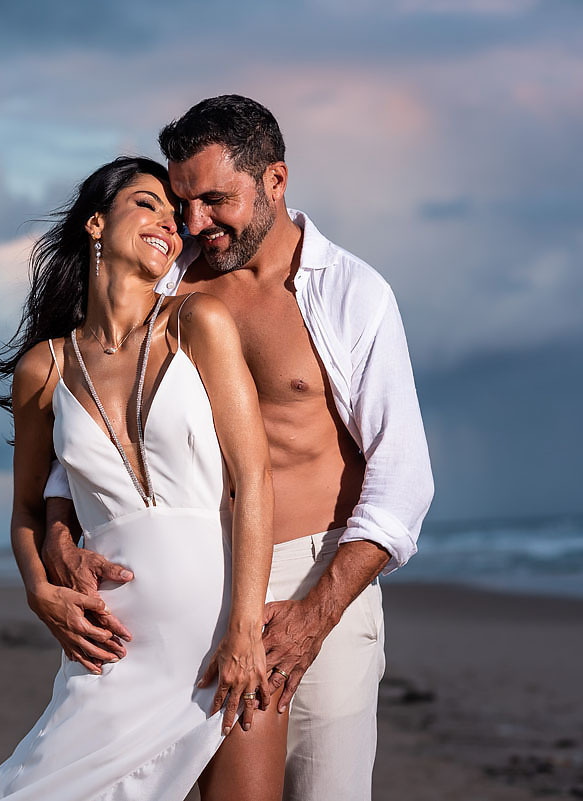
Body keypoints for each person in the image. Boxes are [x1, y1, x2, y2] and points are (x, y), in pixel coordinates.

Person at [32, 96, 435, 801]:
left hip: (315, 578)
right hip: (191, 587)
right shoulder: (165, 283)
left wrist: (313, 616)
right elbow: (93, 424)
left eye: (217, 200)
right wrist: (60, 534)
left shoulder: (349, 294)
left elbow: (404, 482)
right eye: (182, 200)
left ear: (276, 180)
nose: (195, 223)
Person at [0, 156, 285, 800]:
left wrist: (246, 632)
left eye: (177, 219)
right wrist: (39, 589)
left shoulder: (198, 323)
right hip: (115, 650)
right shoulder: (43, 367)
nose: (170, 224)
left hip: (225, 637)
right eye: (148, 204)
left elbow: (253, 480)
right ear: (94, 223)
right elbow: (28, 508)